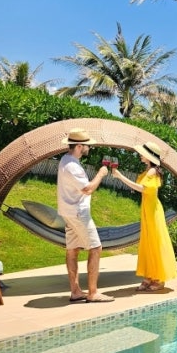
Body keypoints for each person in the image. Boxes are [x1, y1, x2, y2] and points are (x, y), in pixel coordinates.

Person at [57, 128, 114, 303]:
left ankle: (75, 291)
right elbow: (87, 189)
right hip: (78, 213)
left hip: (68, 212)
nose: (89, 148)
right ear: (80, 146)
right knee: (95, 248)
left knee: (72, 250)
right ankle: (93, 293)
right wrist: (101, 174)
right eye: (87, 145)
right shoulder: (72, 166)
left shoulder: (65, 160)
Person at [112, 141, 177, 291]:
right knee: (148, 243)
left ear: (149, 156)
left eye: (142, 153)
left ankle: (159, 279)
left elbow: (141, 188)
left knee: (154, 242)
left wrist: (120, 176)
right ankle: (149, 276)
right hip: (148, 209)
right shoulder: (148, 170)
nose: (140, 155)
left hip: (153, 211)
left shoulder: (152, 172)